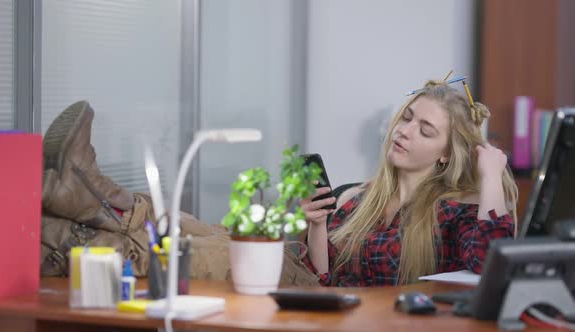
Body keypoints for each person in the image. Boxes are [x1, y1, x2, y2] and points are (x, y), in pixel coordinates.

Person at [40, 100, 319, 287]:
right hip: (291, 251)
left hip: (308, 284)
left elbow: (338, 278)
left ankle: (66, 234)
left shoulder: (365, 223)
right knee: (170, 218)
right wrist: (315, 223)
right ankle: (85, 199)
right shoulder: (355, 197)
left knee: (200, 254)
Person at [300, 79, 518, 287]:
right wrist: (317, 225)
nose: (404, 131)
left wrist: (491, 177)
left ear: (447, 154)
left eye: (425, 131)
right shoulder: (352, 199)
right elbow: (319, 282)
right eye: (406, 117)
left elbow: (491, 264)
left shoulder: (453, 214)